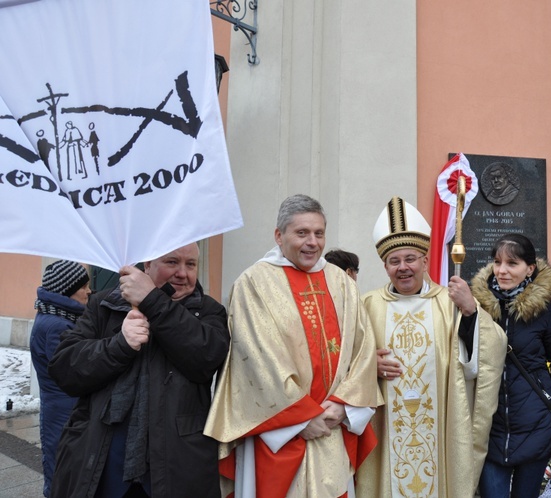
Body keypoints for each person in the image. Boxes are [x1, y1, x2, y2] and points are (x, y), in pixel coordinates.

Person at [204, 194, 380, 498]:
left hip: (332, 427)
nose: (312, 242)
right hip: (279, 435)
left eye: (319, 233)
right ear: (279, 235)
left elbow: (362, 349)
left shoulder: (341, 282)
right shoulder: (253, 283)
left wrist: (344, 404)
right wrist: (301, 419)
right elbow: (256, 360)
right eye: (302, 233)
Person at [48, 242, 230, 498]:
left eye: (191, 264)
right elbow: (64, 369)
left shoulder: (209, 311)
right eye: (171, 262)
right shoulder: (104, 305)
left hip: (175, 469)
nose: (182, 272)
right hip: (100, 464)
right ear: (147, 266)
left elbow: (205, 359)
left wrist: (152, 302)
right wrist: (118, 345)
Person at [356, 196, 507, 498]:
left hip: (438, 427)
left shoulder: (448, 302)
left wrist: (471, 313)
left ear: (425, 261)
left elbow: (492, 347)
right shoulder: (368, 305)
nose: (403, 268)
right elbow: (347, 359)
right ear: (384, 265)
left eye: (410, 259)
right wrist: (368, 364)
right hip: (386, 430)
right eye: (394, 261)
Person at [469, 234, 551, 498]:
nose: (502, 270)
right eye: (497, 262)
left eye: (512, 263)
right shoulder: (475, 307)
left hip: (535, 425)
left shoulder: (548, 309)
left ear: (530, 268)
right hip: (490, 427)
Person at [30, 260, 91, 497]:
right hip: (64, 410)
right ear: (66, 290)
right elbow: (74, 371)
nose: (88, 291)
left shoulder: (56, 315)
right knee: (62, 474)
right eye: (83, 286)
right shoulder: (57, 325)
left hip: (61, 407)